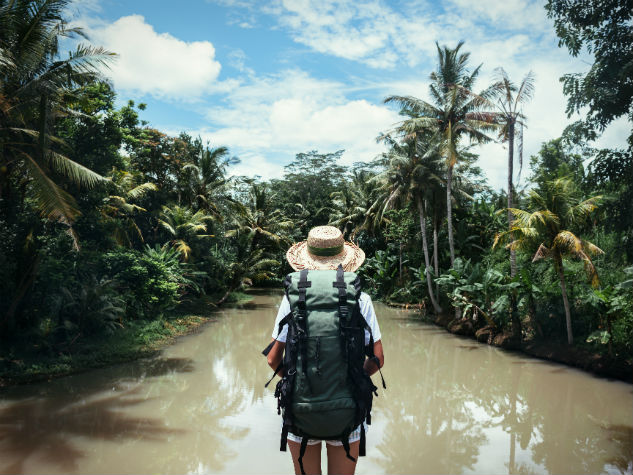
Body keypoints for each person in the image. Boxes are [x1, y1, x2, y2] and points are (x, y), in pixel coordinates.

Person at [266, 225, 385, 475]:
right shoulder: (359, 298)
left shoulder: (293, 297)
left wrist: (295, 379)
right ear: (346, 259)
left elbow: (272, 359)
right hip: (347, 410)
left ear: (305, 260)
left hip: (300, 409)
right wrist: (352, 379)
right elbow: (377, 359)